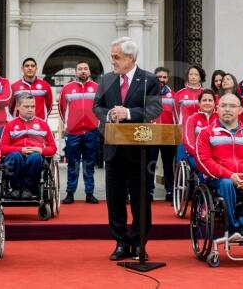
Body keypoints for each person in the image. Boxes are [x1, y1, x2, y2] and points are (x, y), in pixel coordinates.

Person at [93, 37, 162, 260]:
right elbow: (98, 107)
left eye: (116, 57)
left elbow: (154, 108)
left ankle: (140, 243)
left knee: (141, 198)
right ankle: (121, 242)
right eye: (112, 56)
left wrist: (129, 113)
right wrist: (110, 115)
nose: (112, 61)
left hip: (140, 150)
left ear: (131, 58)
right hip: (113, 148)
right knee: (115, 198)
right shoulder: (106, 80)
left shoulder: (149, 80)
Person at [196, 92, 243, 241]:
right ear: (217, 108)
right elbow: (204, 161)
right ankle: (233, 227)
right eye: (223, 105)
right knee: (227, 183)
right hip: (218, 180)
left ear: (240, 110)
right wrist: (230, 175)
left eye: (232, 106)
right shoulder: (206, 133)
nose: (227, 109)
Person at [0, 93, 57, 199]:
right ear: (18, 107)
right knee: (15, 156)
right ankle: (16, 189)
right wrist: (20, 150)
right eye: (26, 106)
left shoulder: (43, 124)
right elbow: (2, 149)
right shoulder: (10, 125)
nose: (30, 109)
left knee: (35, 157)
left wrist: (41, 150)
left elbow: (53, 148)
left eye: (33, 106)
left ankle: (28, 189)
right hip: (16, 158)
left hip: (36, 157)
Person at [58, 61, 99, 204]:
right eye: (80, 69)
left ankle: (90, 193)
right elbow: (61, 109)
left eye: (85, 69)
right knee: (72, 164)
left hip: (91, 132)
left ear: (89, 72)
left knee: (89, 164)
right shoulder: (67, 88)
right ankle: (70, 193)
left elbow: (101, 108)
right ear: (76, 72)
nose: (83, 71)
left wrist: (96, 124)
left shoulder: (97, 88)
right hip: (73, 133)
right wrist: (68, 125)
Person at [148, 66, 177, 201]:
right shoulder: (147, 94)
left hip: (167, 134)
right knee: (151, 164)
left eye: (164, 77)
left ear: (167, 79)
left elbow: (177, 116)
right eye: (159, 77)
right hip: (152, 134)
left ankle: (170, 191)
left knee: (167, 164)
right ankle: (149, 191)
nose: (162, 79)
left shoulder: (173, 95)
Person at [178, 89, 218, 181]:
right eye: (204, 100)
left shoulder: (219, 118)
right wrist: (201, 154)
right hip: (196, 155)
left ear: (214, 103)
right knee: (204, 166)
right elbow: (188, 142)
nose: (207, 103)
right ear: (199, 103)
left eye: (210, 100)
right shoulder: (192, 119)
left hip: (216, 155)